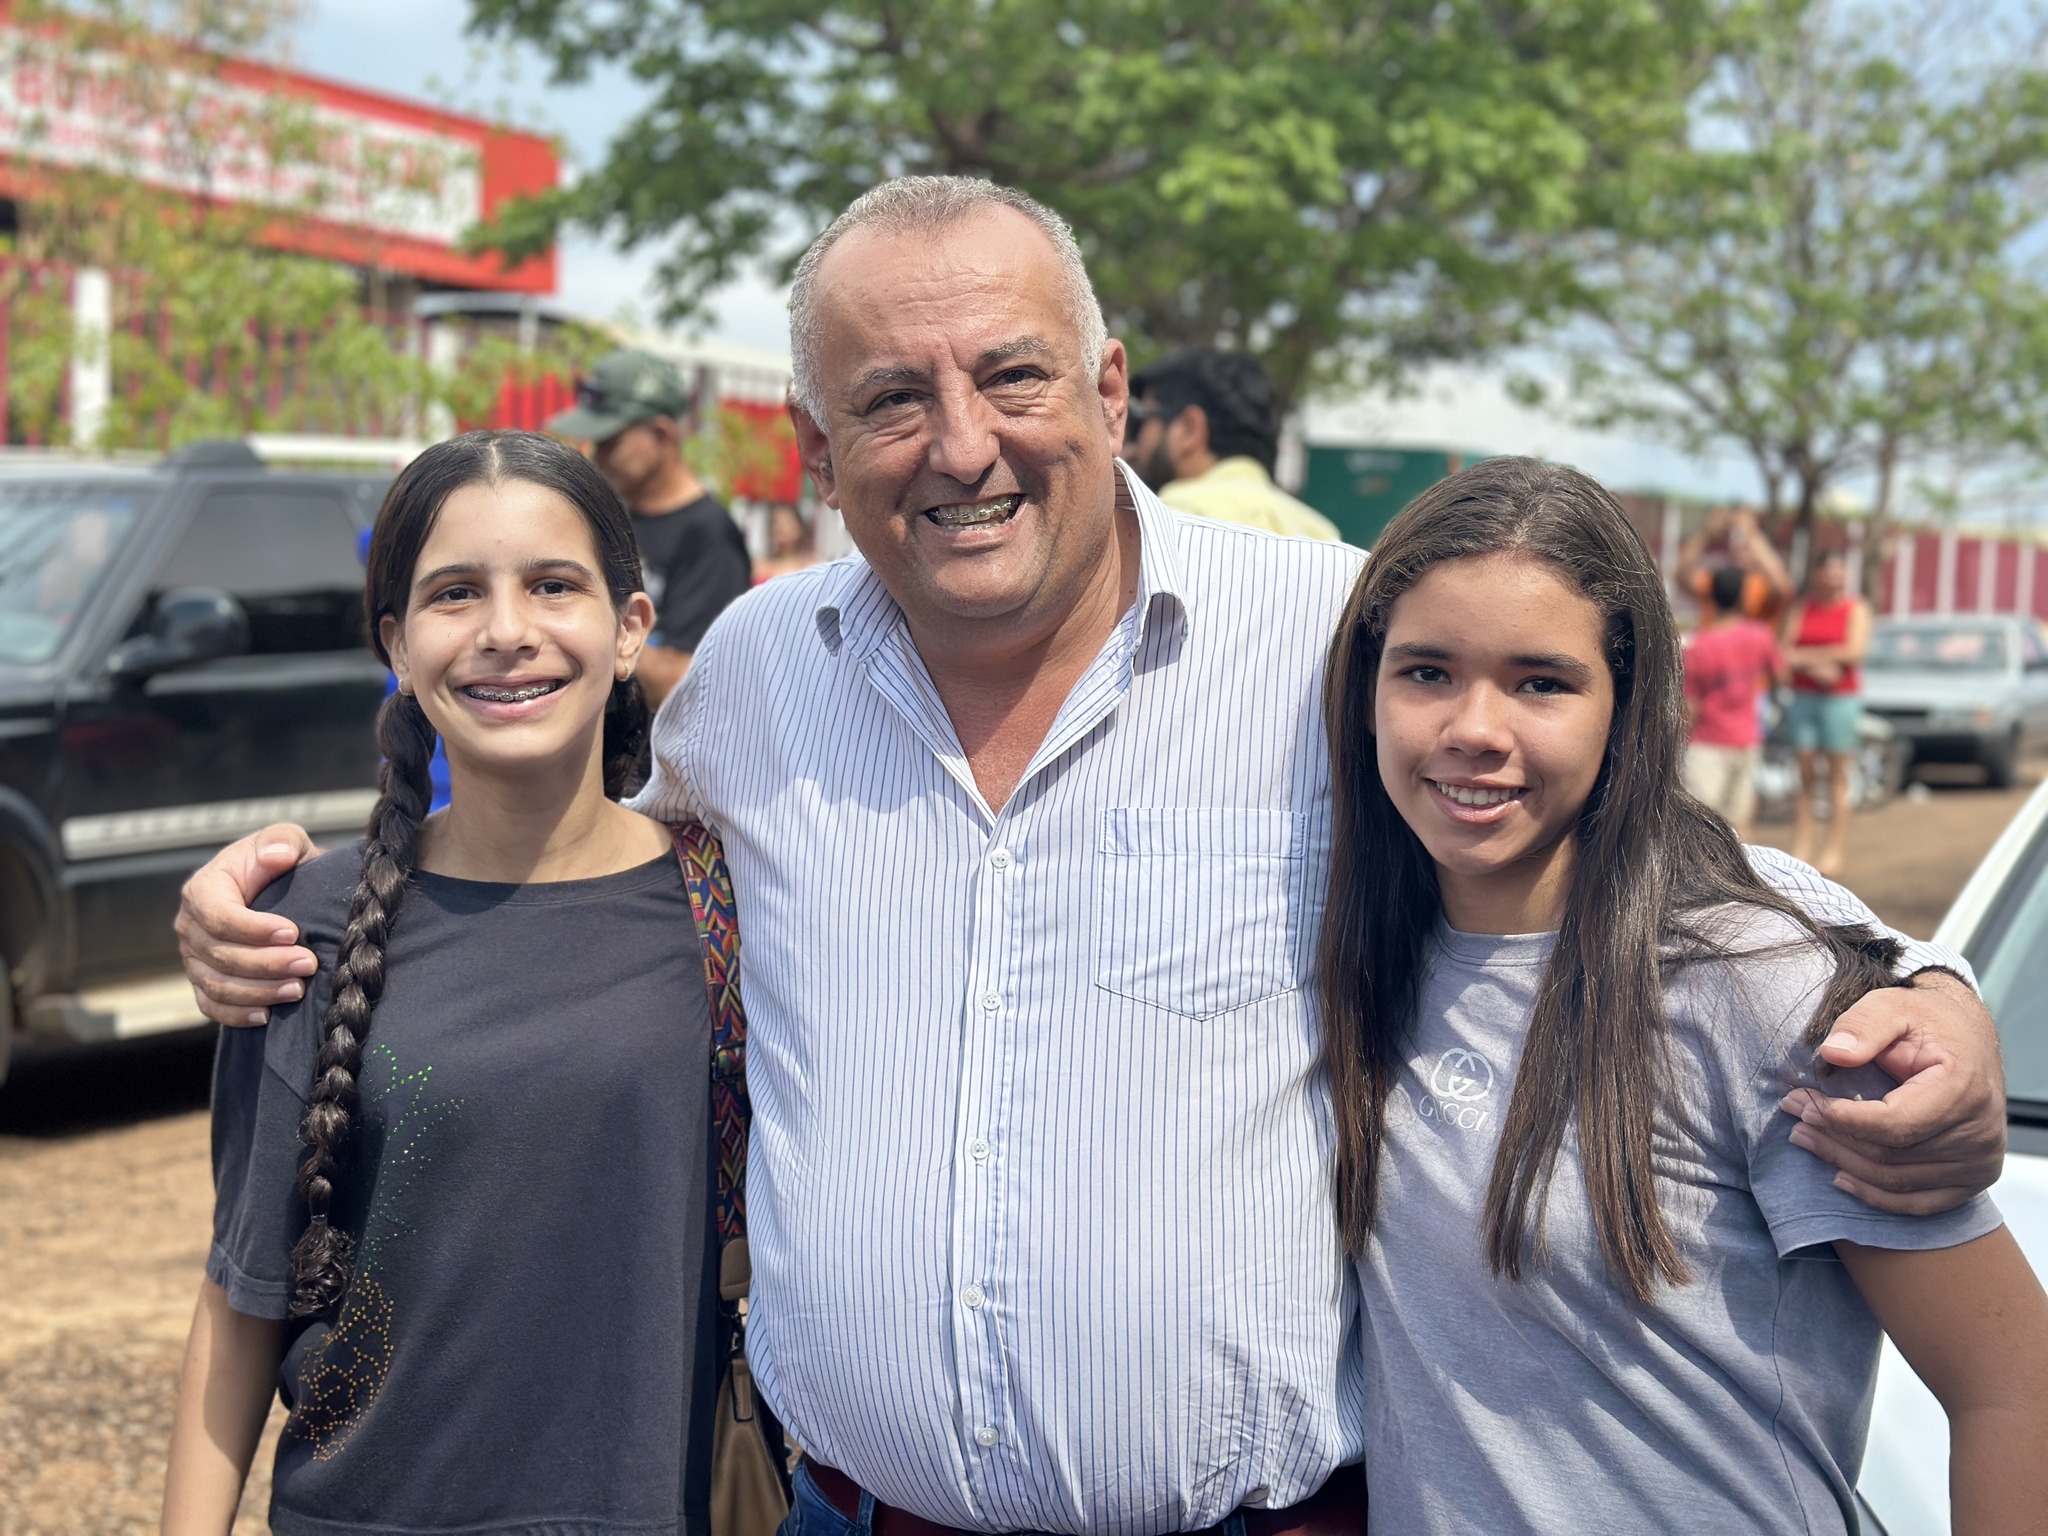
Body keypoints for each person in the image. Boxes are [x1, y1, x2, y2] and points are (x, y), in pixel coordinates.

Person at [175, 179, 2008, 1536]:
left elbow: (1593, 809)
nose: (961, 445)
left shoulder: (1326, 638)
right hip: (851, 1517)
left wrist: (1905, 974)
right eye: (891, 399)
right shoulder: (750, 681)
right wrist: (311, 904)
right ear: (814, 449)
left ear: (1113, 390)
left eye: (1012, 376)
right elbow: (566, 869)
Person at [1318, 457, 2048, 1533]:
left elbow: (2010, 1384)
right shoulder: (1347, 956)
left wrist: (1932, 981)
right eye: (1425, 672)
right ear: (1365, 688)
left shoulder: (1758, 992)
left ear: (1627, 704)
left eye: (1539, 682)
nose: (1474, 726)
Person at [159, 432, 724, 1535]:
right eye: (454, 593)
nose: (506, 632)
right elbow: (240, 1307)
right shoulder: (304, 930)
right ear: (399, 645)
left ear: (629, 632)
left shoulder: (733, 908)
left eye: (553, 586)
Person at [549, 348, 753, 705]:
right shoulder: (612, 517)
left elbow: (687, 678)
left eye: (611, 443)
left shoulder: (709, 535)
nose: (598, 457)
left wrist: (580, 631)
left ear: (661, 435)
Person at [1124, 347, 1342, 540]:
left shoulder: (1175, 514)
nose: (1135, 440)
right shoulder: (1323, 532)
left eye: (1141, 418)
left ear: (1189, 429)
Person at [1782, 548, 1872, 877]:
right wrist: (1822, 663)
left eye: (1840, 570)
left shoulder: (1856, 608)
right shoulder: (1802, 608)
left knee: (1836, 774)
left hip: (1840, 700)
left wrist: (1810, 657)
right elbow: (1785, 652)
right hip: (1804, 696)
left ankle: (1834, 848)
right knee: (1805, 773)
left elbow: (1855, 651)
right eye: (1829, 570)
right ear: (1818, 574)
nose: (1835, 577)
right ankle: (1802, 845)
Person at [1683, 563, 1786, 838]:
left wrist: (1679, 741)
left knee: (1700, 828)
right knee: (1741, 825)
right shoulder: (1760, 635)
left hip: (1708, 743)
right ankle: (1743, 880)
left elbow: (1692, 705)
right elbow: (1780, 674)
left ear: (1711, 599)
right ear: (1742, 597)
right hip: (1748, 739)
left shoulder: (1701, 646)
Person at [1679, 504, 1794, 627]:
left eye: (1746, 545)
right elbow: (1681, 575)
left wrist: (1752, 534)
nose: (1741, 548)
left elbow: (1784, 589)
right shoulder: (1719, 580)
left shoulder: (1762, 584)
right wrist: (1707, 534)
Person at [753, 499, 818, 583]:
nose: (779, 527)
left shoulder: (812, 566)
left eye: (786, 522)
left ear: (799, 527)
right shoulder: (761, 565)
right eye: (774, 522)